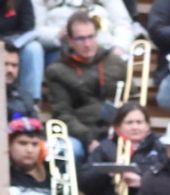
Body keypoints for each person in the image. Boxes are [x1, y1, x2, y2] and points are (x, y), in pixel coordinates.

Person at [43, 11, 128, 154]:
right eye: (80, 39)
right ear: (70, 41)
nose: (87, 44)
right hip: (79, 134)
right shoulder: (56, 70)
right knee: (71, 149)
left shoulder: (115, 62)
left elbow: (131, 100)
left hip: (114, 131)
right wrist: (89, 139)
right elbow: (63, 114)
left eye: (91, 37)